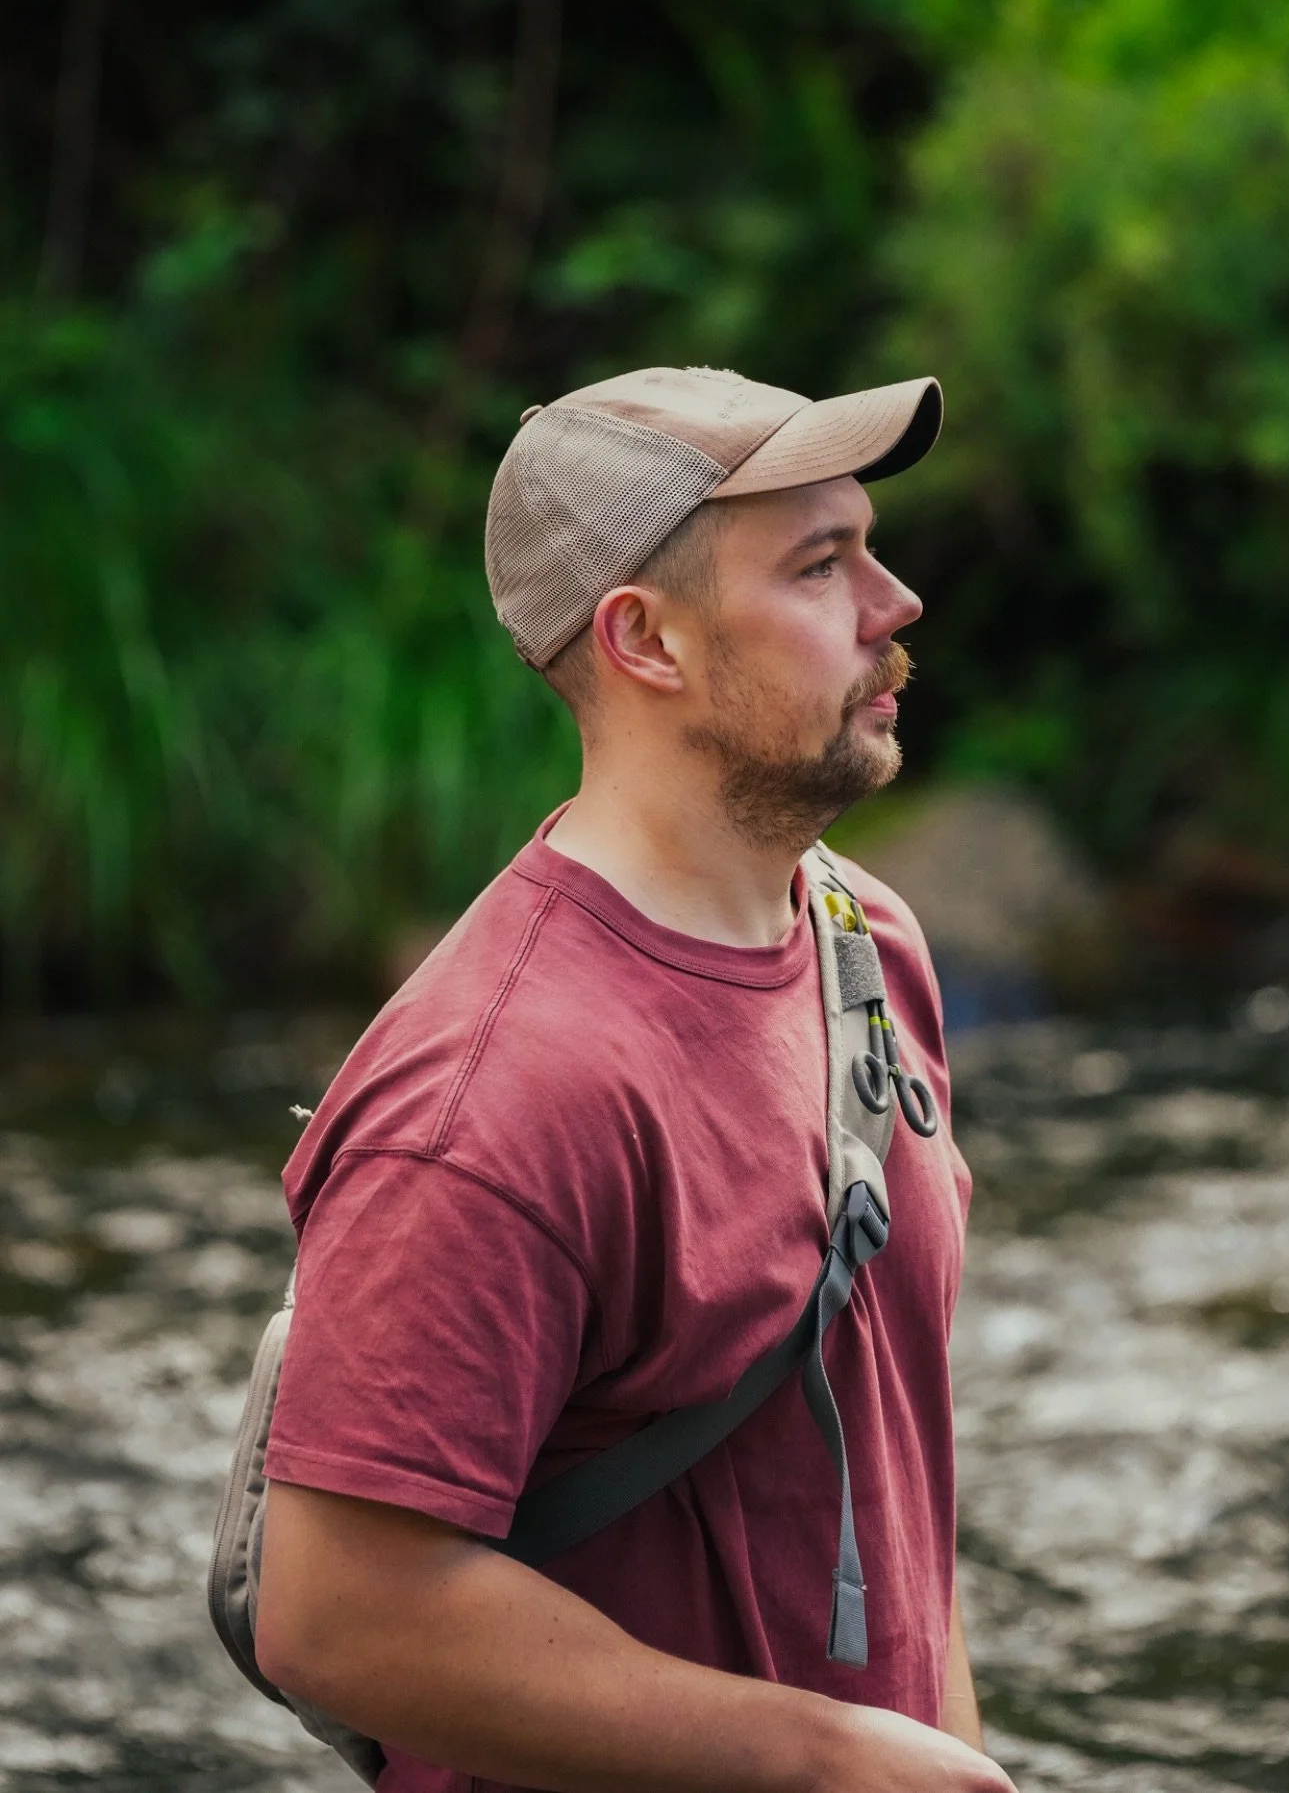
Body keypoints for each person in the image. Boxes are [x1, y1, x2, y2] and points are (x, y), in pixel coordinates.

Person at [254, 366, 1015, 1793]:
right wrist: (825, 1755)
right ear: (644, 639)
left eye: (870, 542)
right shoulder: (489, 1096)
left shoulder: (867, 945)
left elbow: (898, 1479)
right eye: (821, 562)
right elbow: (335, 1610)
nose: (895, 599)